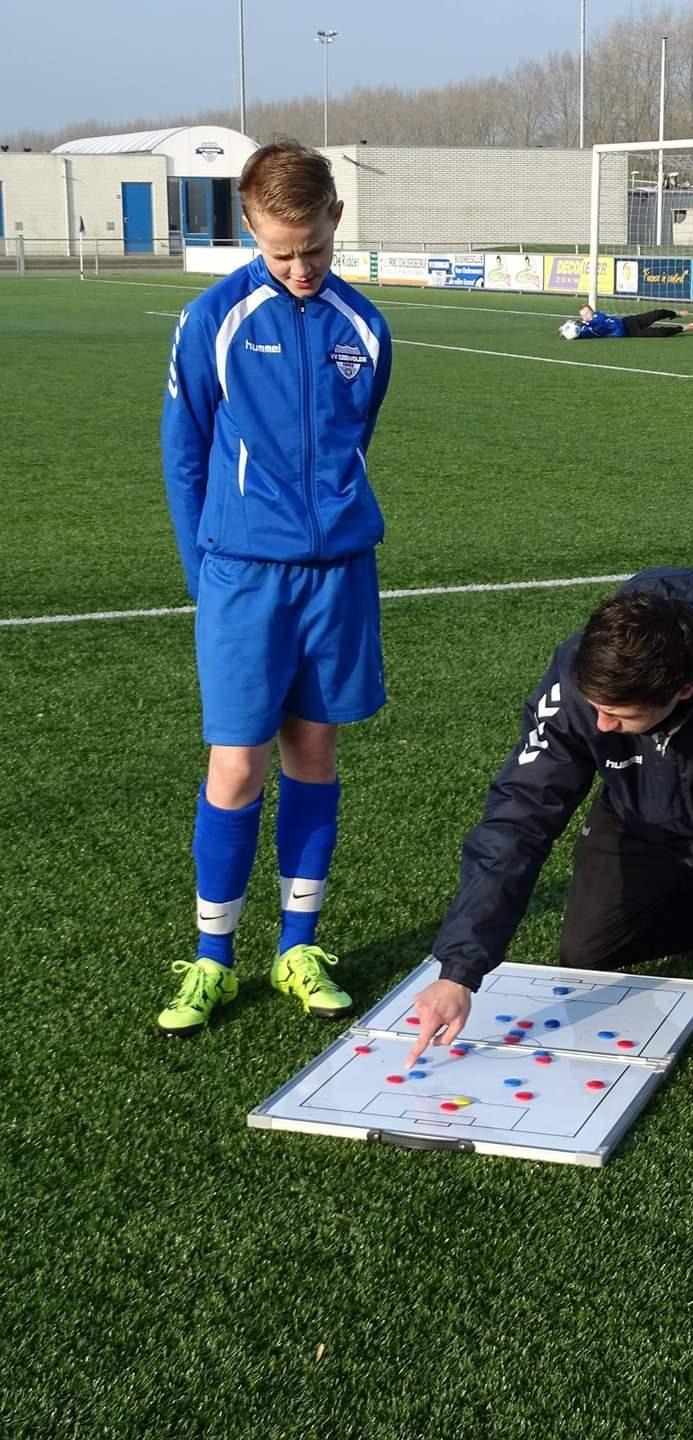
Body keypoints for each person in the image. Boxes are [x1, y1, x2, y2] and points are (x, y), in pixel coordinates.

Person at [405, 569, 693, 1107]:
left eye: (617, 715)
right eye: (595, 708)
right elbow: (516, 818)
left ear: (683, 689)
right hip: (643, 822)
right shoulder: (580, 674)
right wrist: (459, 969)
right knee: (585, 950)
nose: (599, 726)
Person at [157, 140, 392, 1036]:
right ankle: (212, 957)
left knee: (313, 755)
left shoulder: (365, 327)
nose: (299, 269)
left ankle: (299, 945)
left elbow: (355, 437)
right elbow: (185, 456)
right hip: (242, 579)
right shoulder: (212, 318)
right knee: (237, 763)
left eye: (314, 250)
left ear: (336, 219)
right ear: (250, 228)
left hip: (336, 579)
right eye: (280, 251)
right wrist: (204, 577)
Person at [560, 304, 693, 339]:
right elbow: (582, 334)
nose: (586, 317)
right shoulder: (588, 329)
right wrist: (566, 331)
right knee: (661, 333)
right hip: (631, 332)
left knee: (657, 313)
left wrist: (583, 323)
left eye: (587, 313)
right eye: (584, 316)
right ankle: (683, 328)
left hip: (629, 321)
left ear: (592, 312)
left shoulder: (598, 317)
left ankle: (676, 314)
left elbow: (597, 322)